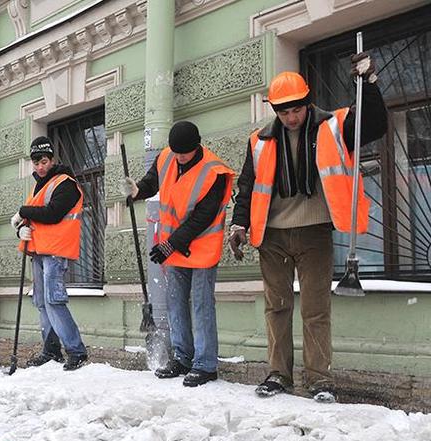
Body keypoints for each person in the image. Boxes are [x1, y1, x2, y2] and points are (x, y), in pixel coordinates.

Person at [228, 53, 388, 403]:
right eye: (283, 112)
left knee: (316, 308)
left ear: (307, 101)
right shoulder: (259, 141)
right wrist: (238, 223)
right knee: (277, 306)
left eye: (296, 110)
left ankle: (319, 379)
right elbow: (247, 186)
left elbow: (374, 124)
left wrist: (369, 83)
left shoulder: (332, 125)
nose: (291, 117)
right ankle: (278, 375)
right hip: (272, 235)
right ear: (275, 110)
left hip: (315, 230)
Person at [121, 121, 235, 387]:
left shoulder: (214, 171)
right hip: (174, 247)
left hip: (202, 247)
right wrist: (137, 190)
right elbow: (153, 181)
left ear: (197, 146)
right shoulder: (167, 157)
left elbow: (202, 218)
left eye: (185, 152)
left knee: (201, 305)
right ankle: (183, 358)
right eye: (176, 152)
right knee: (175, 303)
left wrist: (170, 244)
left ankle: (205, 365)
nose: (180, 157)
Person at [11, 136, 89, 371]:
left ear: (52, 159)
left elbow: (53, 213)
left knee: (54, 301)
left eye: (43, 161)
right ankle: (51, 349)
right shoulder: (40, 185)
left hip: (55, 252)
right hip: (38, 251)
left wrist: (23, 211)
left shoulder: (65, 183)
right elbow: (32, 217)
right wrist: (20, 229)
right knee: (42, 303)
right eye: (35, 162)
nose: (40, 166)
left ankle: (76, 351)